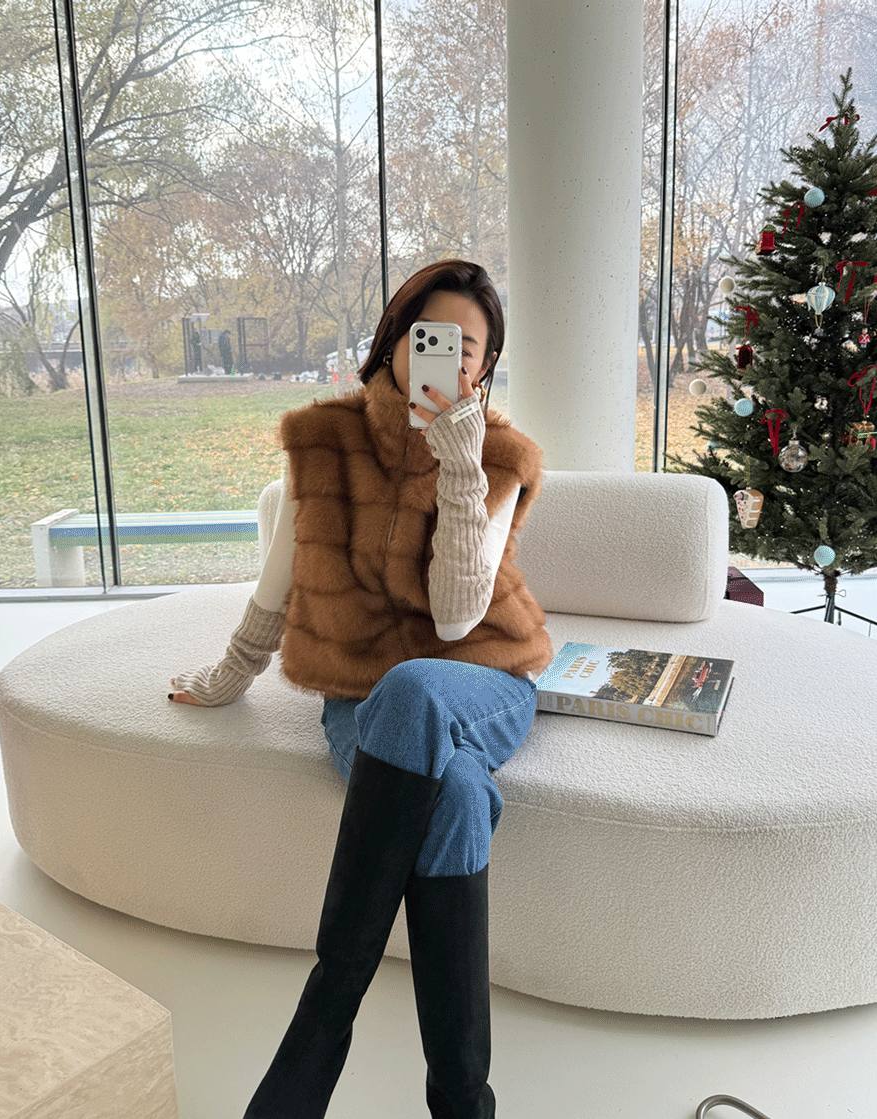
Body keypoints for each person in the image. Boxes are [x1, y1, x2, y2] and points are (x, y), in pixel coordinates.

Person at [169, 259, 553, 1118]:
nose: (445, 358)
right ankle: (463, 1101)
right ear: (394, 340)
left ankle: (310, 1050)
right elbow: (280, 579)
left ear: (486, 366)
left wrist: (458, 464)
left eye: (466, 348)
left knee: (418, 686)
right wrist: (230, 674)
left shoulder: (498, 456)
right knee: (456, 795)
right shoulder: (324, 440)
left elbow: (456, 617)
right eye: (429, 336)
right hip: (362, 704)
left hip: (483, 681)